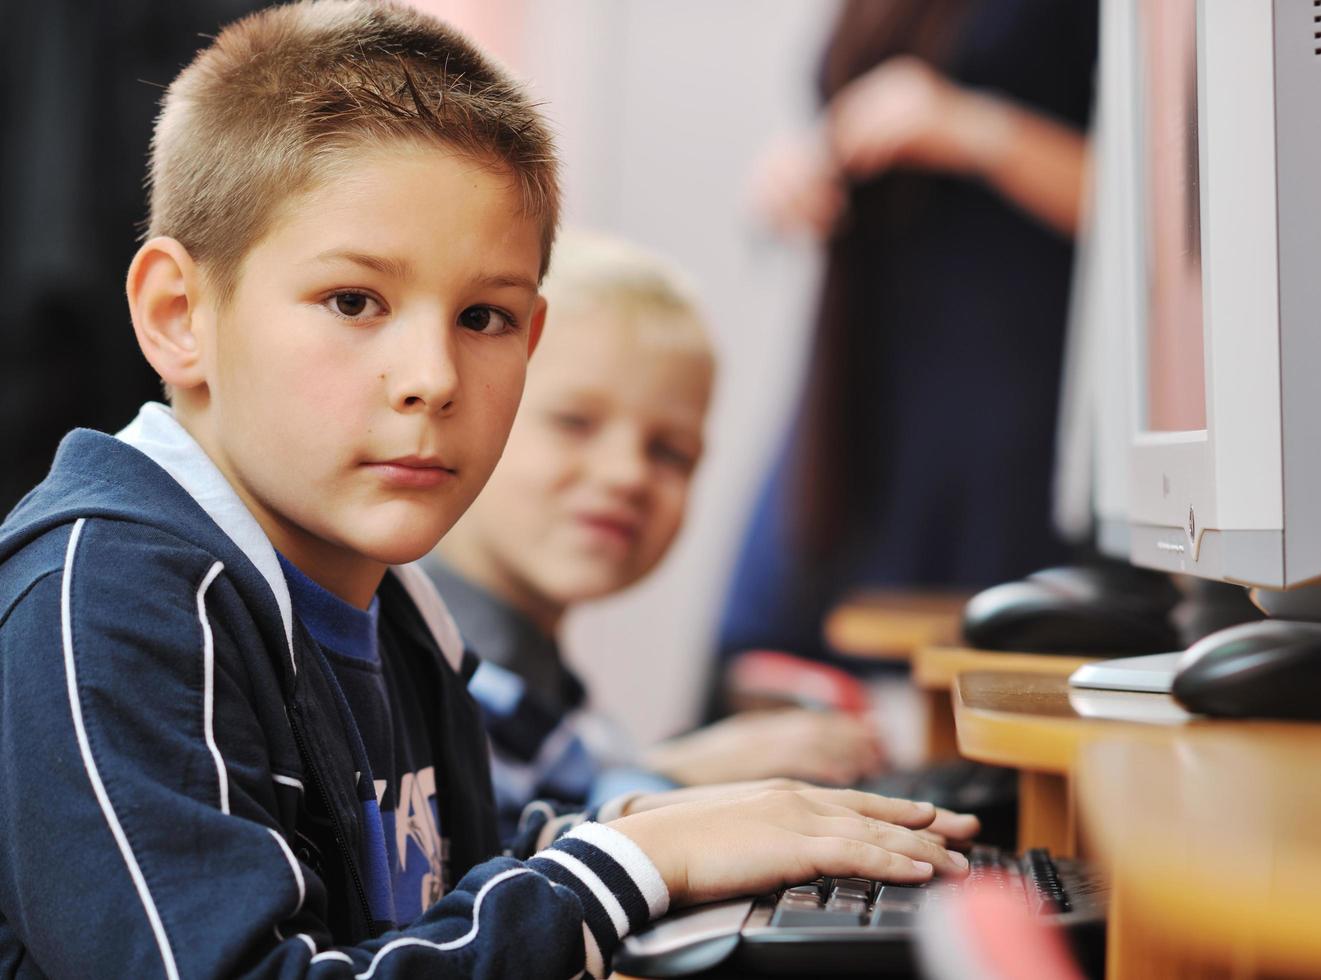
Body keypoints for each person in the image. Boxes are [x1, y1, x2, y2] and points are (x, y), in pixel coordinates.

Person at [0, 4, 977, 977]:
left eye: (483, 316)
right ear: (179, 314)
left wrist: (669, 827)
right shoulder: (114, 598)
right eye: (354, 301)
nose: (433, 374)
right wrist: (634, 859)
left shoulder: (393, 606)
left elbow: (439, 887)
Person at [426, 234, 887, 839]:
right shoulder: (427, 670)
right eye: (575, 422)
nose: (627, 475)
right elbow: (499, 871)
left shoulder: (544, 680)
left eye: (670, 452)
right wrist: (675, 774)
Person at [717, 0, 1098, 686]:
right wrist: (795, 168)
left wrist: (976, 129)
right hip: (862, 391)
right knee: (765, 659)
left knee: (995, 677)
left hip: (1016, 399)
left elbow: (1161, 203)